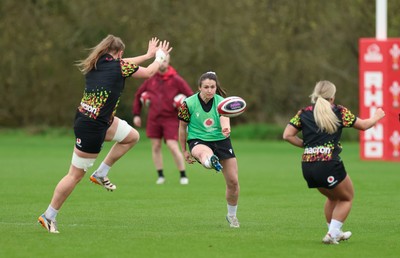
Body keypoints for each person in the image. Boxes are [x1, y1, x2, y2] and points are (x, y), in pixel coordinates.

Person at [38, 35, 172, 233]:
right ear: (119, 52)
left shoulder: (96, 62)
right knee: (74, 175)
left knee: (132, 137)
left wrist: (147, 54)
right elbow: (150, 72)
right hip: (92, 126)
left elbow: (123, 63)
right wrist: (160, 56)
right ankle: (48, 215)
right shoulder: (119, 66)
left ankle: (101, 173)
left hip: (97, 120)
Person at [283, 80, 385, 244]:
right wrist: (377, 116)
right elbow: (364, 126)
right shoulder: (339, 111)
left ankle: (334, 231)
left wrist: (307, 146)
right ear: (333, 96)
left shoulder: (304, 112)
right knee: (347, 198)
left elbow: (287, 135)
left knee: (333, 198)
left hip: (308, 166)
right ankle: (332, 233)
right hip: (328, 164)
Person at [177, 71, 240, 228]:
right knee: (205, 153)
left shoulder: (221, 102)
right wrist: (184, 150)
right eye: (206, 87)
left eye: (212, 87)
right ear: (199, 88)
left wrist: (226, 128)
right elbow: (182, 128)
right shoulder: (188, 103)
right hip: (198, 140)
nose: (210, 90)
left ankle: (232, 216)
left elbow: (225, 118)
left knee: (233, 182)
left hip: (221, 140)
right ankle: (210, 161)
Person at [132, 54, 193, 185]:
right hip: (153, 119)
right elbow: (138, 95)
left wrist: (185, 111)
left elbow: (191, 97)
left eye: (165, 60)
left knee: (172, 146)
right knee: (156, 146)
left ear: (168, 62)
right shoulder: (150, 78)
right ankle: (160, 175)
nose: (163, 63)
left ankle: (183, 174)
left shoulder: (176, 79)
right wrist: (136, 114)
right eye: (161, 60)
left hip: (170, 119)